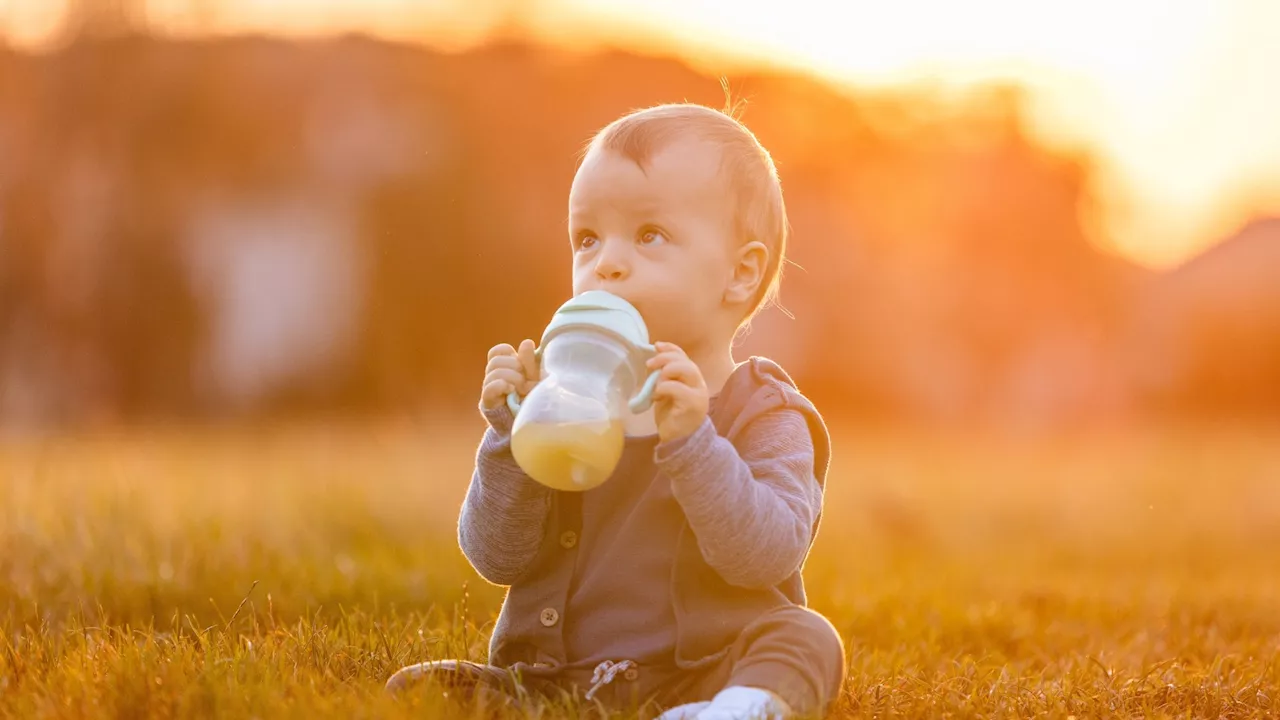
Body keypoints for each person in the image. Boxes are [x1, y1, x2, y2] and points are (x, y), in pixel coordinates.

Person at [386, 103, 845, 719]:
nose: (605, 262)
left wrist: (693, 444)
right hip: (562, 678)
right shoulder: (567, 404)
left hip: (705, 672)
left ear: (739, 274)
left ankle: (733, 711)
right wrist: (511, 434)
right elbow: (497, 557)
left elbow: (767, 554)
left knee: (806, 638)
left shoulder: (765, 412)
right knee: (421, 687)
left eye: (649, 235)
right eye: (587, 238)